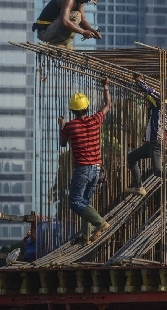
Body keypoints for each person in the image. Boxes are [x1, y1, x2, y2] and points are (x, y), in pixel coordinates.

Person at [59, 77, 112, 243]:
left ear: (72, 110)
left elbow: (62, 143)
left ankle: (100, 222)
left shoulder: (70, 126)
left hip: (82, 169)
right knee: (85, 202)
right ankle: (85, 235)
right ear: (87, 107)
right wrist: (105, 87)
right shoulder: (95, 120)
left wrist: (61, 125)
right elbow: (108, 105)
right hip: (97, 169)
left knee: (75, 202)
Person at [124, 73, 167, 196]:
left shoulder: (162, 101)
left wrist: (139, 81)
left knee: (158, 171)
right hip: (152, 142)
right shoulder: (166, 107)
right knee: (131, 157)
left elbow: (150, 91)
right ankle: (139, 187)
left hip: (156, 143)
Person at [33, 0, 105, 49]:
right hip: (45, 32)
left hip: (52, 29)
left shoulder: (79, 1)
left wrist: (93, 31)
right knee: (76, 15)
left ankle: (62, 43)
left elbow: (82, 21)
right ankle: (59, 43)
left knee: (78, 15)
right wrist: (83, 32)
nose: (89, 0)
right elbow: (65, 21)